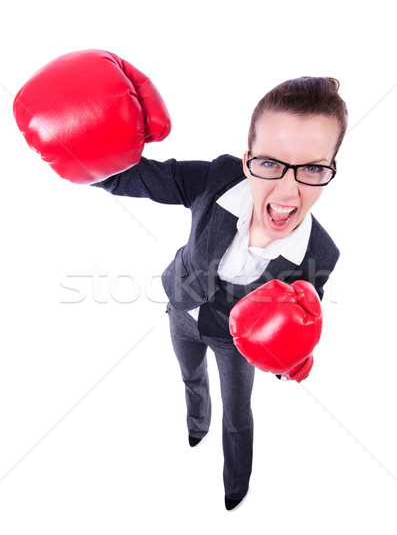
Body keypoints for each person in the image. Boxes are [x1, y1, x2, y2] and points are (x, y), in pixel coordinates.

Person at [13, 51, 348, 511]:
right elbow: (132, 179)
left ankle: (236, 488)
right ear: (248, 159)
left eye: (312, 168)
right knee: (190, 378)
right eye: (270, 162)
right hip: (182, 311)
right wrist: (79, 143)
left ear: (330, 169)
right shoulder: (217, 178)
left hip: (236, 345)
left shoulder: (320, 253)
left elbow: (298, 323)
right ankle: (195, 428)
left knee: (239, 415)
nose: (288, 191)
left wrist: (289, 360)